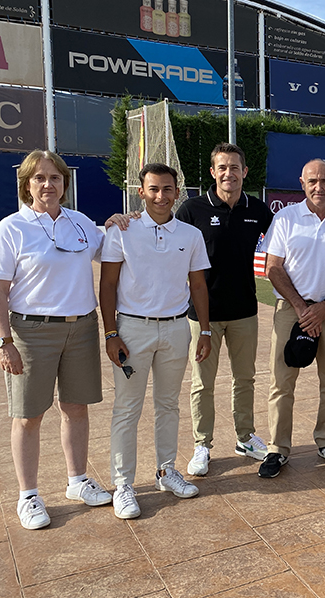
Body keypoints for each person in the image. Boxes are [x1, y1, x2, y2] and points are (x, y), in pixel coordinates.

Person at [0, 150, 112, 529]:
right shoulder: (11, 228)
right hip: (30, 332)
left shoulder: (82, 224)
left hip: (81, 328)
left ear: (64, 183)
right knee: (28, 416)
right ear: (27, 184)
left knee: (76, 408)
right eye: (39, 178)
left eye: (55, 178)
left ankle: (77, 481)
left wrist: (122, 221)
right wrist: (2, 341)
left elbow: (112, 249)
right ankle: (29, 495)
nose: (47, 185)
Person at [101, 162, 212, 520]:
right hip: (132, 331)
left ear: (178, 193)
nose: (161, 196)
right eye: (153, 189)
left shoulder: (190, 235)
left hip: (177, 329)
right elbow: (107, 285)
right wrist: (111, 333)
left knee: (168, 405)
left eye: (167, 189)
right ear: (141, 192)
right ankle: (124, 485)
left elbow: (197, 285)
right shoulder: (122, 230)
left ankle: (166, 471)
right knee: (127, 410)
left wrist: (205, 330)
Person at [175, 143, 274, 476]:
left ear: (244, 172)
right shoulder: (192, 209)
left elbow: (285, 241)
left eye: (235, 167)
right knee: (203, 383)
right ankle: (202, 444)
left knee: (244, 379)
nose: (228, 173)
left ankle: (245, 437)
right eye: (222, 167)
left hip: (245, 310)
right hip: (202, 314)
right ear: (213, 172)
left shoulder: (258, 210)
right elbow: (170, 243)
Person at [259, 159, 325, 478]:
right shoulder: (286, 218)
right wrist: (302, 308)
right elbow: (273, 267)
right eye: (313, 181)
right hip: (292, 310)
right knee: (282, 382)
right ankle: (278, 448)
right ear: (302, 183)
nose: (319, 187)